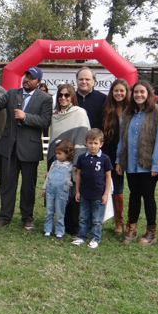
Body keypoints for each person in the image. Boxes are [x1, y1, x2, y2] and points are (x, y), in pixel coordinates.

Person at [0, 66, 53, 230]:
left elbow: (44, 122)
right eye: (25, 76)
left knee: (28, 186)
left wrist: (25, 117)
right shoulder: (12, 93)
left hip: (30, 149)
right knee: (7, 184)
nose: (27, 79)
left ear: (38, 82)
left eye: (31, 78)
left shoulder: (45, 99)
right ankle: (4, 216)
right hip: (9, 147)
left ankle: (27, 217)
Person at [115, 80, 158, 246]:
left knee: (149, 197)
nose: (139, 95)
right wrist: (119, 160)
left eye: (142, 92)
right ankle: (132, 228)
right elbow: (122, 140)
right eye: (136, 92)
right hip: (130, 164)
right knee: (134, 196)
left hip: (148, 165)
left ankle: (151, 232)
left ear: (149, 94)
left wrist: (156, 165)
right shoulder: (128, 114)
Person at [47, 83, 90, 236]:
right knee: (58, 191)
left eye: (67, 95)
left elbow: (81, 138)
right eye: (60, 95)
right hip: (57, 161)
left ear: (72, 96)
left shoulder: (80, 113)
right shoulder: (55, 116)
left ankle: (75, 227)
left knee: (73, 192)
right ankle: (60, 224)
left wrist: (77, 163)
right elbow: (54, 140)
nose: (63, 98)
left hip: (73, 162)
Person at [72, 129, 113, 249]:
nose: (93, 146)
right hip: (84, 193)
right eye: (90, 143)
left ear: (101, 144)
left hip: (98, 194)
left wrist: (105, 194)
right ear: (86, 143)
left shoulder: (105, 159)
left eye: (95, 143)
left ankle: (95, 238)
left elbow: (108, 177)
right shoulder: (82, 158)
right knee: (83, 217)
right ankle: (81, 236)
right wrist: (78, 191)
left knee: (96, 219)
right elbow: (78, 175)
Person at [101, 78, 131, 234]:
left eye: (121, 90)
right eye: (116, 90)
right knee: (115, 187)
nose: (119, 93)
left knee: (131, 189)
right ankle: (118, 223)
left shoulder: (132, 110)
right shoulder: (106, 109)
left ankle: (130, 223)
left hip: (129, 154)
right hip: (110, 154)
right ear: (112, 92)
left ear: (126, 92)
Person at [40, 140, 74, 239]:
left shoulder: (70, 166)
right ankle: (47, 229)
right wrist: (44, 188)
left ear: (67, 154)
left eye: (60, 153)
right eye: (56, 153)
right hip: (50, 190)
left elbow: (73, 179)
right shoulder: (54, 164)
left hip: (62, 192)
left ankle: (59, 231)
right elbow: (49, 176)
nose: (57, 156)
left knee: (60, 212)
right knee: (49, 211)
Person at [75, 67, 106, 131]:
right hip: (74, 139)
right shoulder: (69, 98)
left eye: (87, 79)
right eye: (81, 79)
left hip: (95, 139)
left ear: (93, 82)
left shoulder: (103, 99)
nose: (84, 82)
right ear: (76, 81)